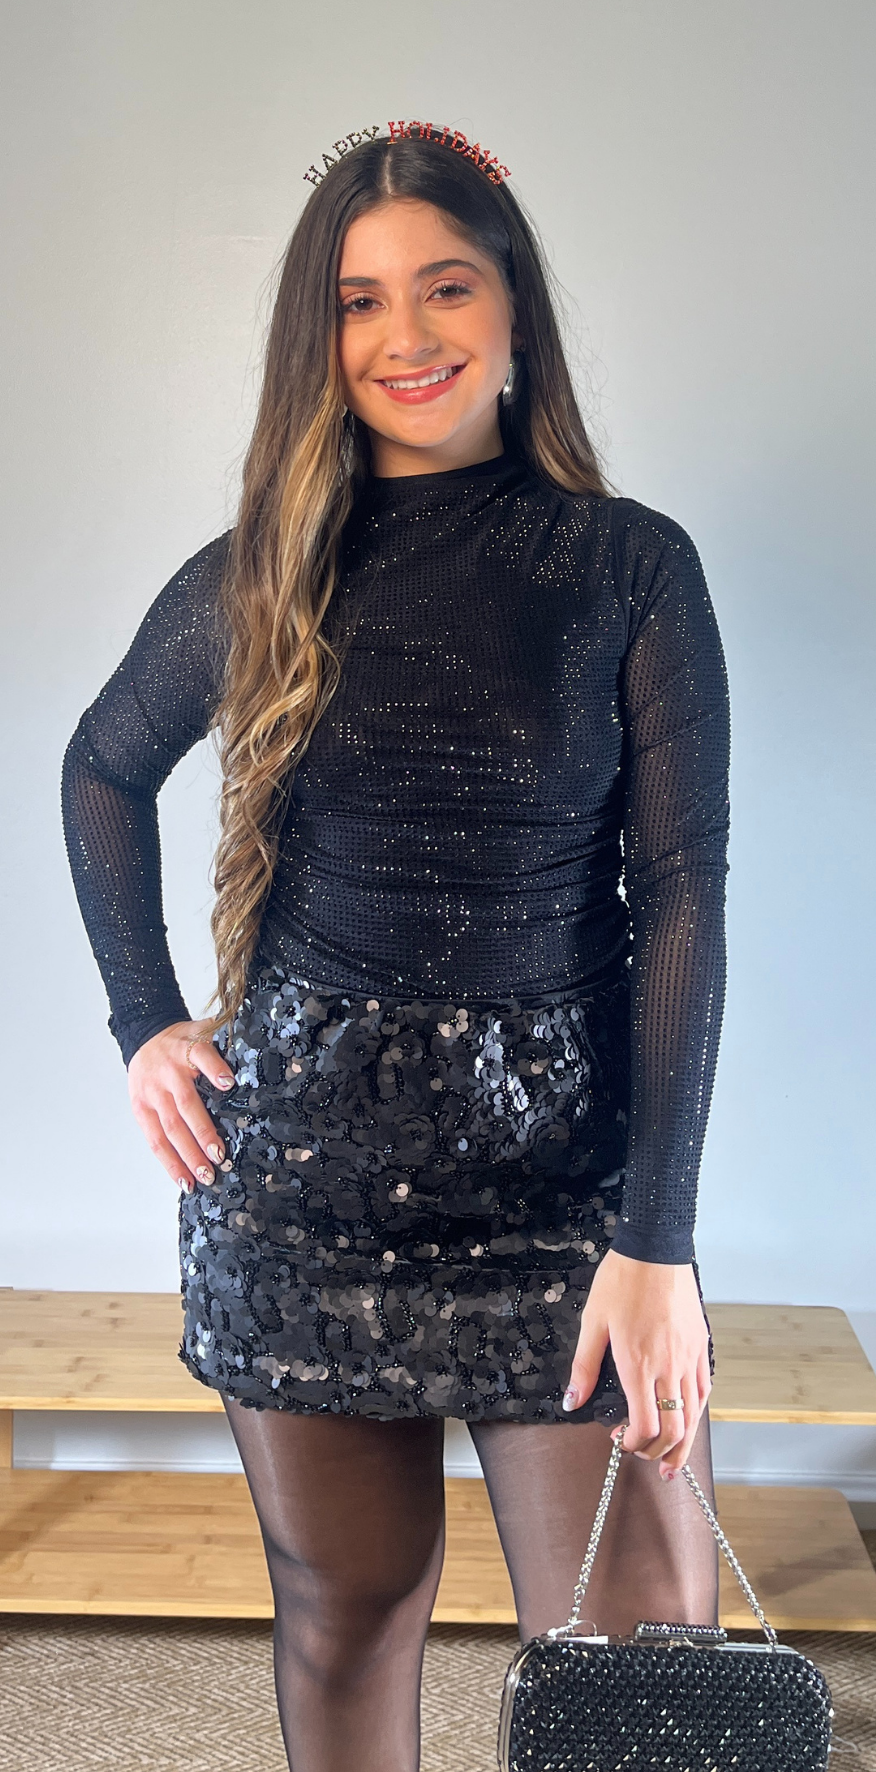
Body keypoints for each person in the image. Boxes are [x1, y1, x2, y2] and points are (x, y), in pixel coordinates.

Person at [61, 122, 731, 1772]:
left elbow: (681, 899)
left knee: (645, 1662)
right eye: (360, 301)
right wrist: (146, 1021)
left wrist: (658, 1245)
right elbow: (100, 771)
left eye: (446, 286)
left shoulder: (628, 566)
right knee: (346, 1613)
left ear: (514, 309)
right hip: (301, 1185)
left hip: (570, 1201)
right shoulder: (263, 572)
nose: (406, 335)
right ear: (322, 335)